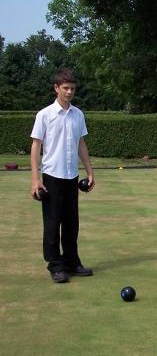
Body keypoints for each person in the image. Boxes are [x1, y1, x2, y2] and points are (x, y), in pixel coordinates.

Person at [30, 68, 95, 284]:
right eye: (65, 88)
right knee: (52, 224)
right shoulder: (45, 115)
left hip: (71, 177)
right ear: (56, 88)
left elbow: (81, 144)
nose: (69, 92)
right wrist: (35, 179)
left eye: (72, 89)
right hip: (51, 177)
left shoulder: (78, 114)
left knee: (71, 223)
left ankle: (71, 262)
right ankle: (55, 266)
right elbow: (35, 146)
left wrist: (89, 171)